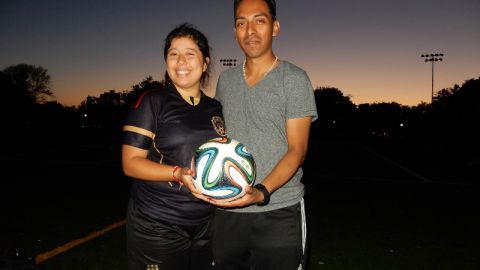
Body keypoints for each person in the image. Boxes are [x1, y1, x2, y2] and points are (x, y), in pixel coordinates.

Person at [211, 0, 318, 269]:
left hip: (279, 211)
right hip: (228, 211)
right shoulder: (225, 81)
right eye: (241, 23)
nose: (250, 31)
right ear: (235, 31)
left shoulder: (294, 79)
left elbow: (297, 150)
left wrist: (261, 192)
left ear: (275, 27)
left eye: (259, 20)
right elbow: (221, 139)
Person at [121, 23, 225, 270]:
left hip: (206, 224)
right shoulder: (152, 101)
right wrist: (177, 173)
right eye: (173, 54)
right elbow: (130, 163)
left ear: (205, 62)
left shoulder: (215, 108)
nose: (181, 61)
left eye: (190, 53)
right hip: (157, 225)